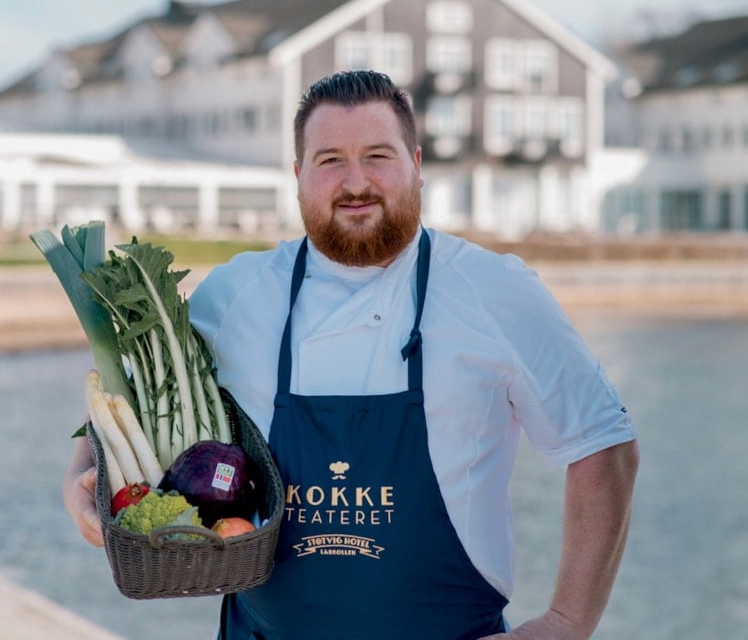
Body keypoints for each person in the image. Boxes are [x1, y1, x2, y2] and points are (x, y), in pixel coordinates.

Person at [63, 70, 639, 639]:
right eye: (330, 159)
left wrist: (565, 625)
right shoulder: (238, 295)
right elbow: (124, 404)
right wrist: (81, 477)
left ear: (416, 165)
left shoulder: (495, 291)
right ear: (298, 176)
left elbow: (603, 445)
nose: (356, 181)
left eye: (379, 156)